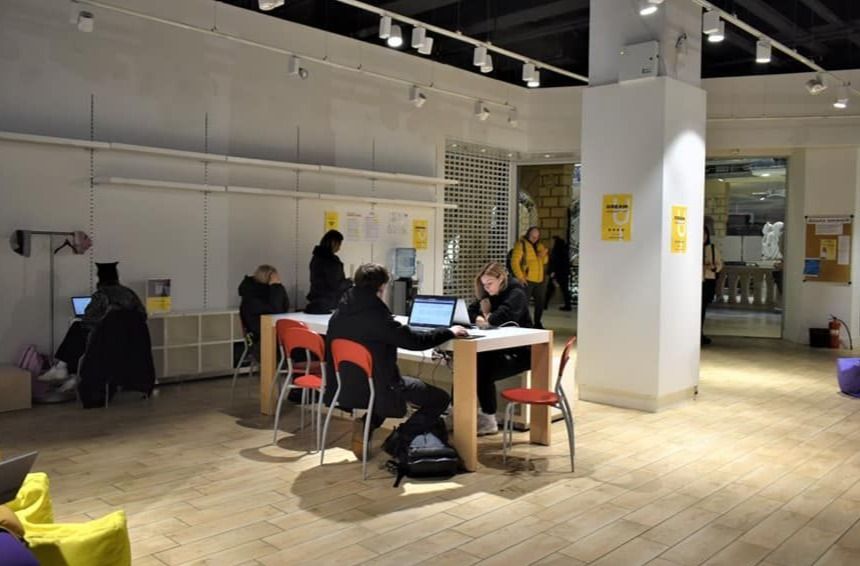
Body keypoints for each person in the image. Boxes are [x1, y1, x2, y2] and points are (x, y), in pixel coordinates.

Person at [325, 263, 468, 457]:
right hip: (379, 386)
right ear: (382, 287)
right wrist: (448, 331)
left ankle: (366, 425)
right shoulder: (376, 315)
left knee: (384, 387)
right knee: (439, 398)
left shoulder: (339, 313)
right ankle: (400, 438)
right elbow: (414, 341)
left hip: (346, 385)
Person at [39, 262, 146, 382]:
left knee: (77, 327)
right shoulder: (129, 293)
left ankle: (62, 368)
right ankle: (65, 370)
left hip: (106, 339)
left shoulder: (101, 295)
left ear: (100, 277)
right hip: (130, 339)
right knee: (81, 332)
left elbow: (88, 320)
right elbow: (143, 315)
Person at [467, 262, 533, 435]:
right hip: (499, 349)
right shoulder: (488, 293)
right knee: (467, 367)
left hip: (521, 352)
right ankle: (458, 413)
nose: (486, 288)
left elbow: (498, 318)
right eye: (484, 285)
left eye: (490, 284)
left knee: (481, 370)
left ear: (501, 279)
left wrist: (486, 317)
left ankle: (488, 419)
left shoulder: (516, 293)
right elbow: (471, 311)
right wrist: (479, 318)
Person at [238, 264, 289, 347]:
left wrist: (278, 288)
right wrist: (276, 287)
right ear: (270, 277)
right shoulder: (253, 296)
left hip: (271, 330)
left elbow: (285, 306)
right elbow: (276, 310)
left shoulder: (268, 292)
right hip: (261, 335)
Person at [305, 230, 352, 314]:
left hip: (316, 302)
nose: (339, 248)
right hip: (329, 302)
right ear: (333, 243)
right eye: (339, 244)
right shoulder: (331, 261)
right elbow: (336, 285)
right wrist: (350, 281)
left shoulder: (316, 258)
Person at [510, 226, 549, 329]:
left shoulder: (540, 246)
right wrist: (520, 277)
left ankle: (537, 322)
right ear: (528, 234)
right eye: (532, 236)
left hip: (539, 279)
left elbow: (545, 261)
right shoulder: (521, 244)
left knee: (540, 303)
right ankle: (523, 323)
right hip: (527, 279)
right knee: (524, 303)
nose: (534, 239)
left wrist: (543, 255)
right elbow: (514, 262)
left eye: (537, 237)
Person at [702, 226, 723, 346]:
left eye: (705, 234)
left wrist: (714, 267)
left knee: (703, 309)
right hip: (694, 282)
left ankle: (700, 333)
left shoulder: (712, 249)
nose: (703, 237)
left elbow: (719, 264)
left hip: (708, 281)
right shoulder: (691, 247)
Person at [545, 236, 573, 311]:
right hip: (563, 273)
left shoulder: (556, 252)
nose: (550, 243)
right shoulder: (563, 250)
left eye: (552, 241)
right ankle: (568, 305)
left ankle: (544, 304)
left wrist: (552, 272)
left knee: (550, 289)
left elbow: (554, 263)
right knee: (564, 290)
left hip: (557, 273)